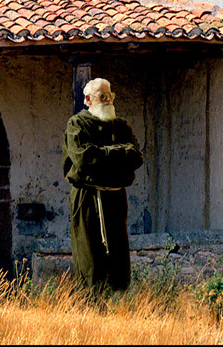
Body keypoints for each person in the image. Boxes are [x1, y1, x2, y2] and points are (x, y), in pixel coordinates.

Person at [62, 77, 144, 293]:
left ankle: (118, 303)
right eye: (102, 96)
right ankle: (91, 304)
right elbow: (82, 158)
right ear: (88, 99)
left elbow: (136, 157)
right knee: (90, 254)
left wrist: (102, 157)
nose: (108, 100)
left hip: (115, 198)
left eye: (110, 96)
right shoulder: (77, 125)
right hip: (88, 198)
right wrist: (118, 154)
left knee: (118, 253)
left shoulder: (122, 125)